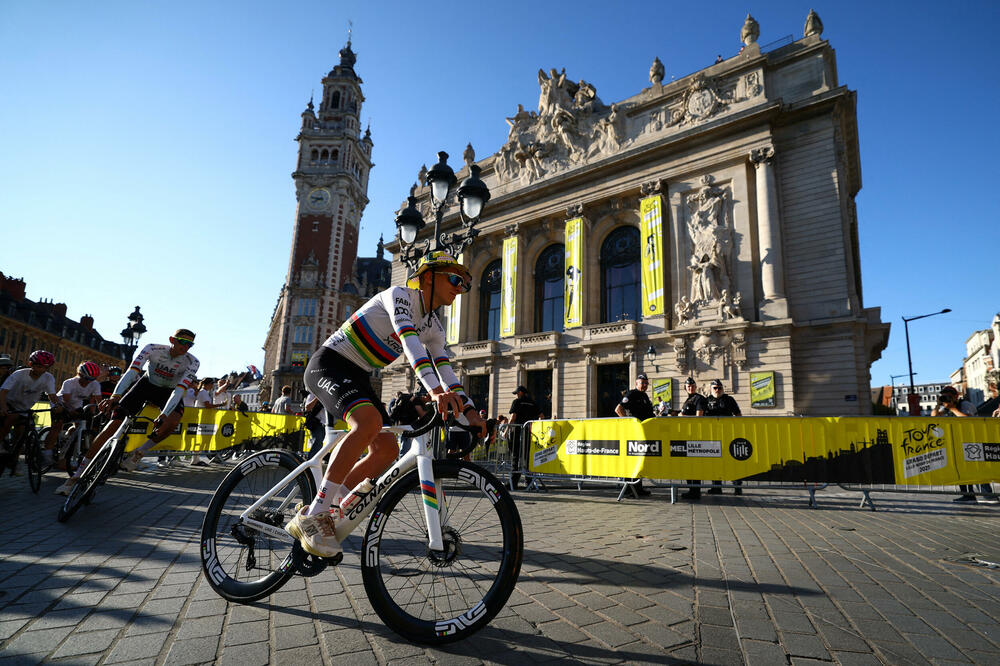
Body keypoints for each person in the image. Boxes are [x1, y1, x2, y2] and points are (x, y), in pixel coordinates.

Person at [284, 251, 486, 558]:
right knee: (368, 423)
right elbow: (409, 340)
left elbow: (445, 368)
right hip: (329, 364)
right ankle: (314, 513)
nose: (460, 289)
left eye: (465, 284)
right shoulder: (399, 296)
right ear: (428, 277)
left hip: (359, 376)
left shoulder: (434, 326)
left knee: (387, 449)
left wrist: (469, 411)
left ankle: (334, 505)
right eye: (454, 279)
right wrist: (434, 391)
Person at [56, 330, 199, 496]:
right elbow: (132, 372)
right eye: (182, 342)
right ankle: (76, 476)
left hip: (169, 391)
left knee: (173, 422)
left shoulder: (192, 362)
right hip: (146, 385)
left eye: (190, 344)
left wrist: (164, 414)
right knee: (113, 425)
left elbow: (179, 390)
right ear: (172, 340)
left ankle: (139, 453)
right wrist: (115, 396)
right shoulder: (153, 349)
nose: (185, 347)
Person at [933, 386, 996, 503]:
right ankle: (968, 495)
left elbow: (968, 420)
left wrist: (952, 409)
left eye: (948, 396)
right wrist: (938, 405)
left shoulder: (965, 405)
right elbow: (934, 417)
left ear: (955, 396)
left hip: (972, 441)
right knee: (961, 469)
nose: (946, 398)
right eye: (944, 396)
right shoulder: (947, 407)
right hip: (957, 441)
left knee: (975, 469)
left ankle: (988, 495)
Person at [0, 351, 60, 469]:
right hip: (9, 404)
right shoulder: (19, 374)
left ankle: (14, 460)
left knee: (21, 434)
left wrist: (57, 406)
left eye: (46, 367)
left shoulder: (48, 378)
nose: (42, 370)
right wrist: (3, 407)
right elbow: (3, 392)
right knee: (8, 421)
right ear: (31, 364)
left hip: (25, 408)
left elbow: (52, 396)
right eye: (39, 366)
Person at [42, 362, 103, 466]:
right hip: (60, 404)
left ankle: (67, 439)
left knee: (80, 427)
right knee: (57, 426)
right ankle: (47, 453)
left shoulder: (95, 384)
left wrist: (101, 411)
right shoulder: (69, 383)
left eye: (92, 379)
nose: (88, 382)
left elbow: (99, 401)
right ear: (80, 374)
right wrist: (71, 411)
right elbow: (66, 401)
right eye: (86, 379)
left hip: (76, 405)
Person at [615, 373, 654, 496]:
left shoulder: (645, 396)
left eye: (646, 383)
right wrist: (629, 422)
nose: (644, 385)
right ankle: (629, 489)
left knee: (639, 460)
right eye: (642, 383)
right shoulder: (632, 394)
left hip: (642, 433)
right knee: (631, 460)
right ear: (636, 383)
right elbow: (618, 409)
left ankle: (638, 488)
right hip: (633, 433)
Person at [704, 379, 743, 495]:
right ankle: (716, 487)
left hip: (728, 434)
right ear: (711, 389)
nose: (717, 390)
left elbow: (738, 414)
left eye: (719, 388)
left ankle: (737, 486)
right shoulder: (707, 401)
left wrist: (738, 429)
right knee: (715, 461)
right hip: (713, 435)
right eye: (715, 388)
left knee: (732, 460)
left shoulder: (729, 399)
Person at [507, 385, 541, 489]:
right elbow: (541, 416)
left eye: (517, 393)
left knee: (515, 457)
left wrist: (506, 430)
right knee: (527, 457)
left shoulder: (516, 402)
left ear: (521, 393)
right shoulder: (533, 402)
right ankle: (528, 482)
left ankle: (513, 483)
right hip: (528, 433)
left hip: (517, 431)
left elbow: (513, 417)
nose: (516, 395)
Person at [678, 377, 707, 500]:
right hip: (687, 434)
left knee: (694, 464)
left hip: (695, 435)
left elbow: (698, 417)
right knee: (688, 464)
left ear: (696, 387)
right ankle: (692, 489)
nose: (690, 388)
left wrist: (682, 416)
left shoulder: (699, 399)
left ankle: (695, 491)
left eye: (692, 386)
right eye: (688, 386)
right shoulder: (688, 399)